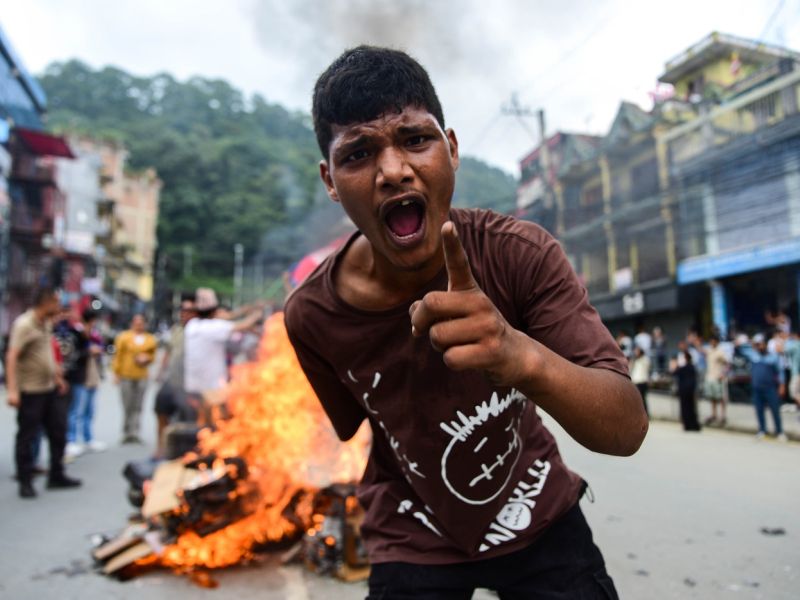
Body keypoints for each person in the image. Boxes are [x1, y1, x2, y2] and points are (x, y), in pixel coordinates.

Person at [284, 46, 648, 599]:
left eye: (415, 139)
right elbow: (352, 424)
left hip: (535, 512)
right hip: (410, 536)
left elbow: (625, 428)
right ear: (330, 180)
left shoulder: (519, 254)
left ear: (451, 149)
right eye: (357, 154)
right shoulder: (312, 315)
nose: (393, 171)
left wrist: (519, 355)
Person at [5, 288, 82, 498]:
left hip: (49, 388)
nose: (58, 306)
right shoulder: (24, 324)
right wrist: (12, 390)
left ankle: (56, 474)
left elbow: (46, 353)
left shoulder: (46, 323)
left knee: (58, 431)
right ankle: (25, 480)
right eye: (56, 302)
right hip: (31, 390)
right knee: (28, 435)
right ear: (46, 302)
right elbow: (12, 356)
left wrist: (57, 377)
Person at [183, 288, 263, 422]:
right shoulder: (214, 327)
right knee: (217, 419)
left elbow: (226, 317)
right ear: (214, 310)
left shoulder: (192, 325)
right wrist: (257, 313)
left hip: (194, 385)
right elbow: (244, 325)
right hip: (212, 386)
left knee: (202, 419)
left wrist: (245, 309)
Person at [154, 297, 197, 458]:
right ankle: (161, 447)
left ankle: (189, 452)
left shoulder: (200, 330)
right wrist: (161, 371)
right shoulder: (176, 329)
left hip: (191, 383)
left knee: (190, 419)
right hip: (172, 379)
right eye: (183, 311)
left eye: (189, 311)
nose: (184, 314)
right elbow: (168, 351)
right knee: (161, 409)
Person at [112, 314, 157, 443]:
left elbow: (152, 356)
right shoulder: (124, 337)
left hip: (142, 375)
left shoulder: (149, 339)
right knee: (127, 404)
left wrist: (147, 358)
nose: (138, 326)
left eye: (141, 323)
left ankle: (135, 432)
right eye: (136, 323)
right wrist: (116, 373)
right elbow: (118, 356)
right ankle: (127, 432)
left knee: (138, 405)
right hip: (126, 375)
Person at [744, 334, 786, 441]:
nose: (759, 346)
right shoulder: (753, 355)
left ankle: (779, 431)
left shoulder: (773, 357)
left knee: (775, 410)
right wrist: (751, 344)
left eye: (760, 344)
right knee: (759, 410)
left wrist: (782, 385)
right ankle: (762, 430)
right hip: (757, 388)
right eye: (757, 345)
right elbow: (741, 349)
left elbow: (780, 372)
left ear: (766, 344)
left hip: (770, 387)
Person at [671, 349, 701, 432]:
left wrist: (675, 365)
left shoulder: (683, 368)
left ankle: (687, 425)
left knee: (685, 408)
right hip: (690, 390)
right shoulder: (692, 367)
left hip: (684, 390)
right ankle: (693, 425)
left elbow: (673, 373)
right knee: (691, 408)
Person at [702, 335, 729, 426]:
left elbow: (727, 364)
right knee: (712, 397)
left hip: (718, 378)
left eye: (713, 341)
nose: (712, 343)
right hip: (710, 377)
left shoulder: (720, 352)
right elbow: (701, 350)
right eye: (711, 341)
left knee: (721, 398)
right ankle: (714, 415)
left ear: (717, 342)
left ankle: (723, 416)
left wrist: (723, 374)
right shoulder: (709, 351)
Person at [630, 346, 651, 416]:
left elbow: (647, 366)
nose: (635, 353)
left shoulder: (645, 359)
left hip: (642, 382)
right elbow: (630, 368)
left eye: (637, 351)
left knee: (643, 399)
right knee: (636, 400)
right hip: (635, 382)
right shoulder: (635, 360)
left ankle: (645, 415)